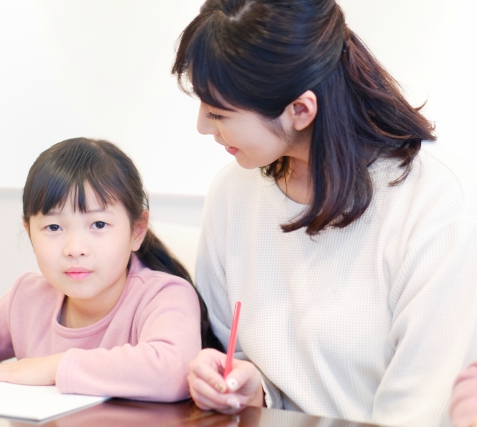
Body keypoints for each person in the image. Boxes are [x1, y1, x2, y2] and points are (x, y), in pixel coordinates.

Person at [171, 0, 477, 426]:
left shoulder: (438, 201)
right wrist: (247, 387)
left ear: (300, 110)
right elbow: (234, 355)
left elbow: (420, 412)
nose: (203, 126)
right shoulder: (232, 194)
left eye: (219, 112)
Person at [0, 137, 221, 402]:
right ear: (29, 232)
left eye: (98, 224)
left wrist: (52, 367)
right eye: (53, 227)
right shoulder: (28, 296)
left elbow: (173, 370)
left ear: (137, 230)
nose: (74, 248)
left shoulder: (165, 296)